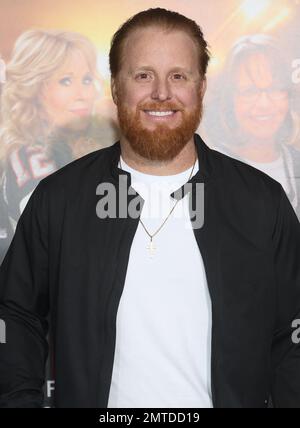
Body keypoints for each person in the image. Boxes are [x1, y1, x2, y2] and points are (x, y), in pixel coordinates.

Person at [0, 7, 300, 408]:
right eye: (143, 75)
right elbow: (16, 315)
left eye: (179, 75)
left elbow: (291, 336)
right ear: (116, 89)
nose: (162, 92)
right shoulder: (60, 199)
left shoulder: (261, 202)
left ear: (201, 88)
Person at [0, 29, 117, 250]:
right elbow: (73, 240)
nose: (83, 94)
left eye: (86, 79)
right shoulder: (28, 158)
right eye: (65, 81)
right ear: (34, 89)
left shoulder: (91, 144)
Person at [203, 35, 300, 219]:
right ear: (231, 99)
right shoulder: (207, 172)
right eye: (249, 91)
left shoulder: (297, 164)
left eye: (274, 89)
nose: (264, 103)